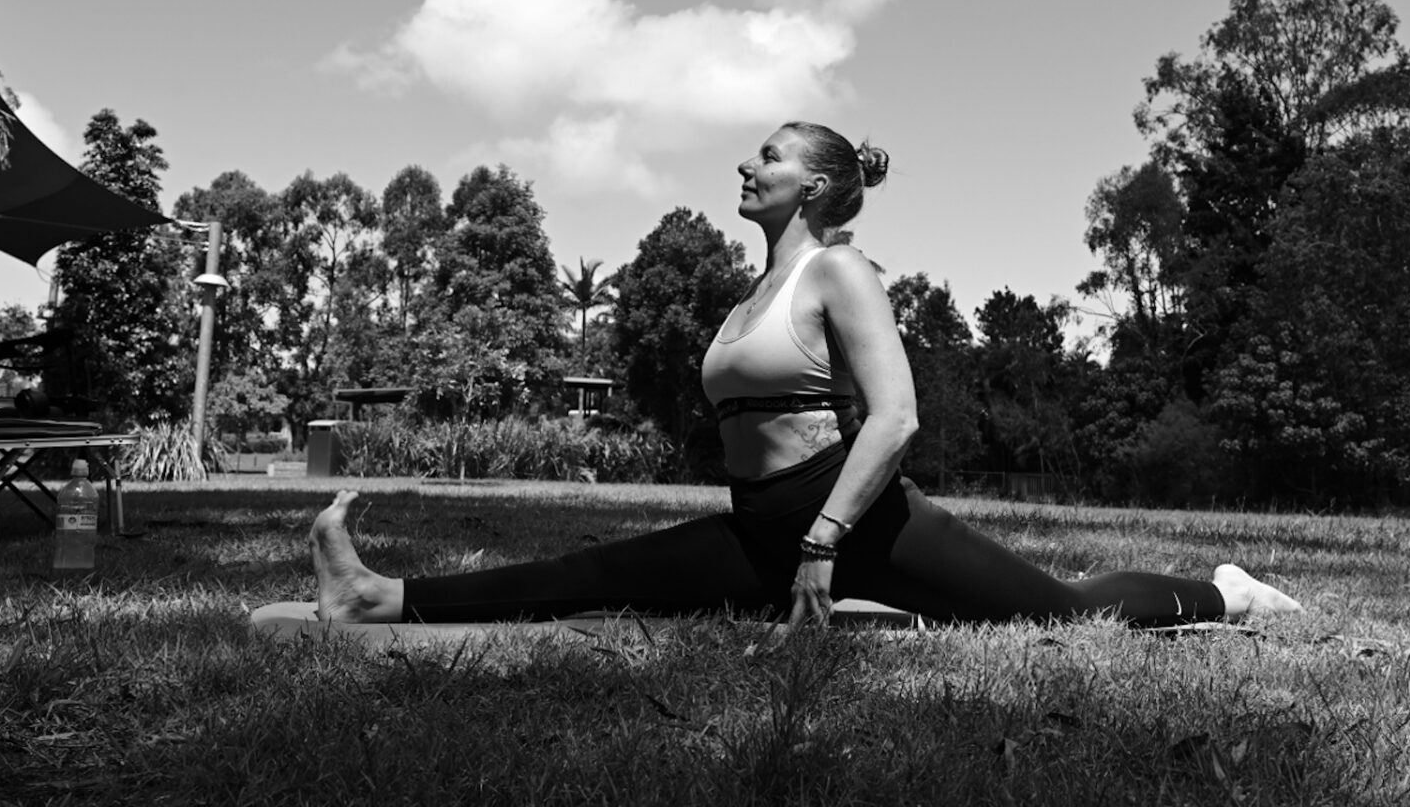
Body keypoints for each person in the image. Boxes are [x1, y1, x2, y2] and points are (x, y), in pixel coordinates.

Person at [312, 122, 1300, 628]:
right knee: (599, 575)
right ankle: (380, 597)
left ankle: (1223, 591)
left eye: (770, 157)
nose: (748, 165)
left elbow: (897, 417)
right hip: (762, 524)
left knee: (1065, 609)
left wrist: (828, 540)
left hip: (862, 519)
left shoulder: (840, 270)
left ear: (815, 185)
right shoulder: (750, 295)